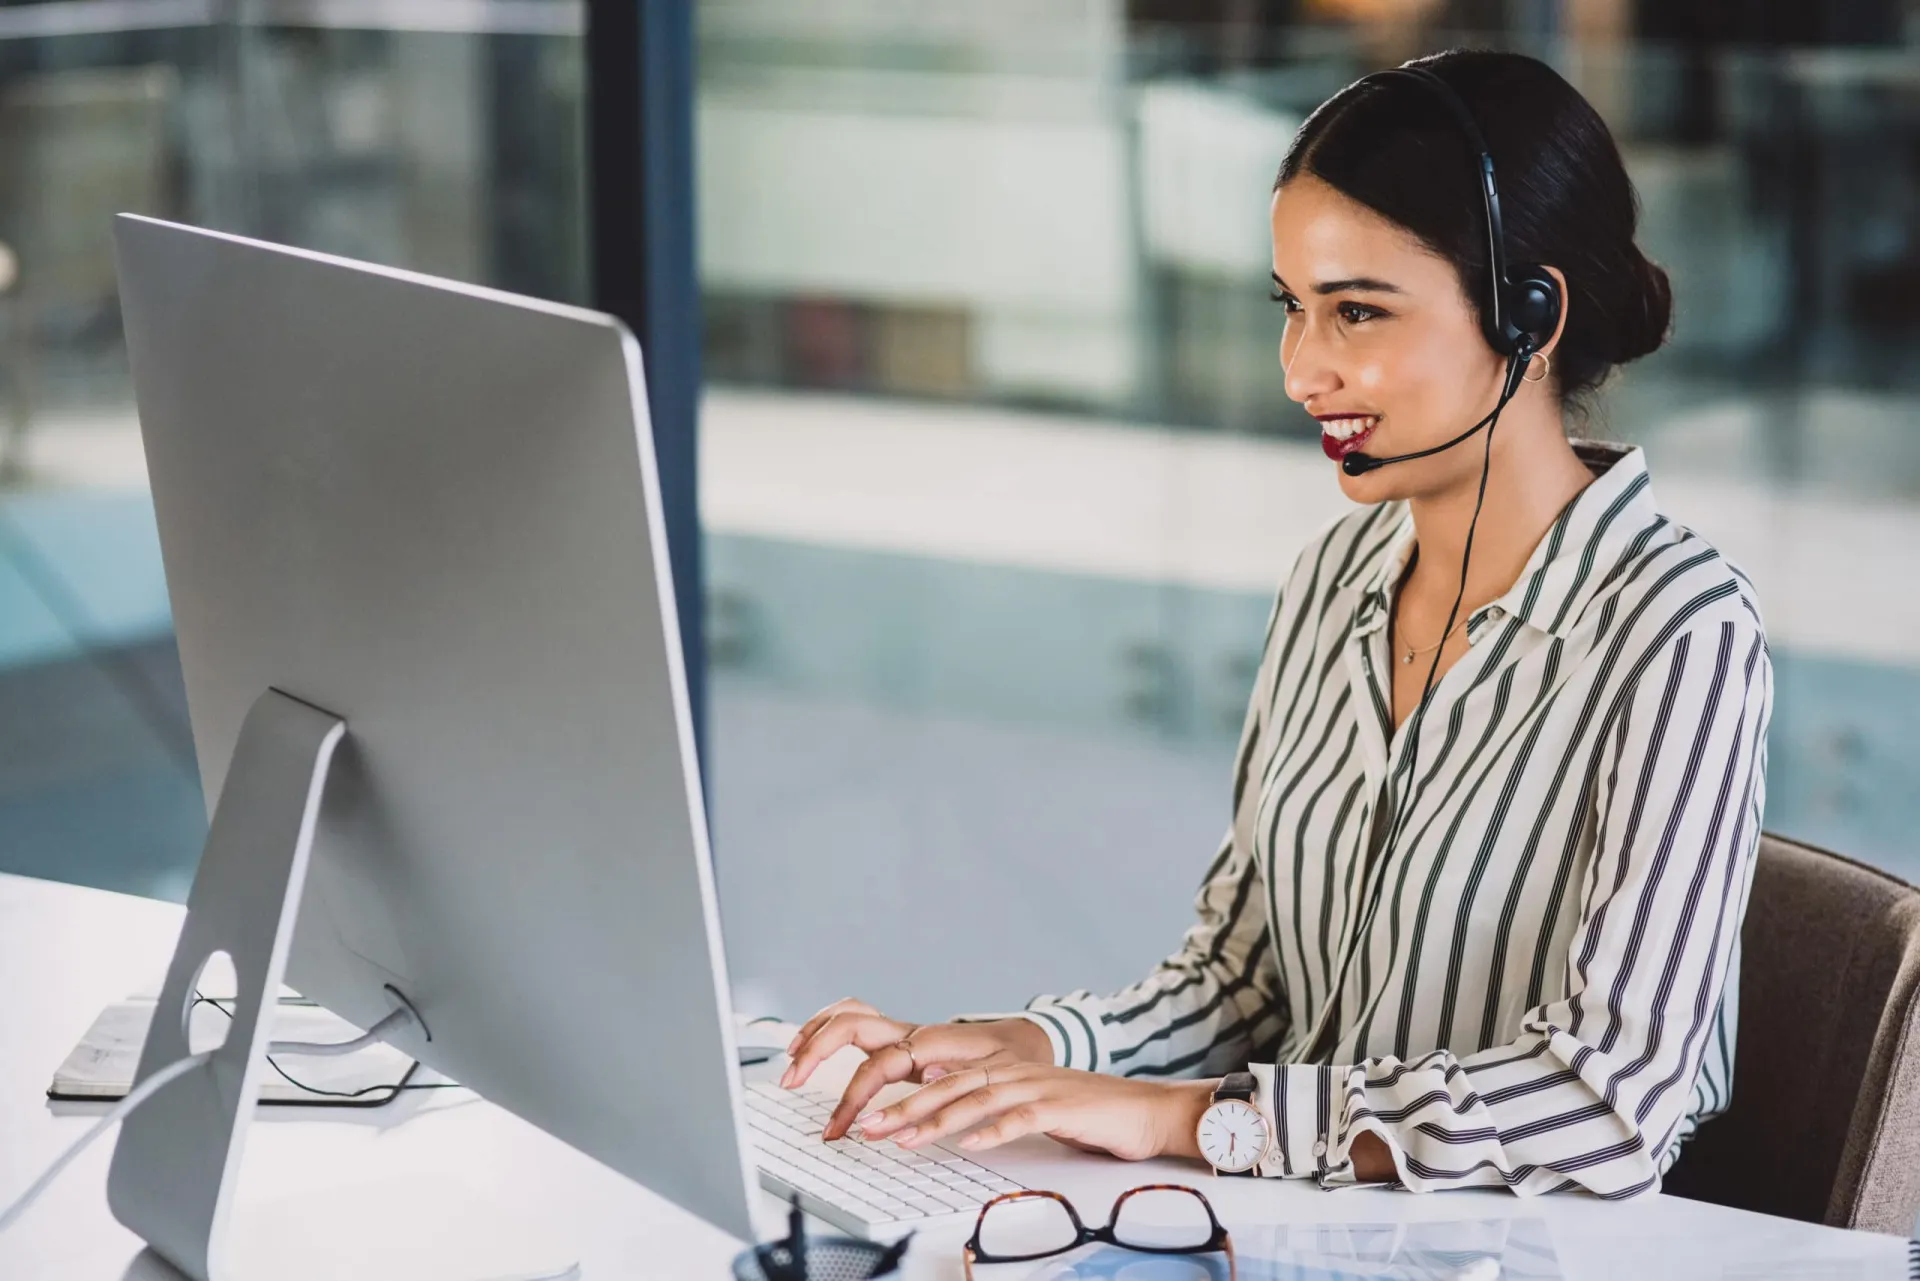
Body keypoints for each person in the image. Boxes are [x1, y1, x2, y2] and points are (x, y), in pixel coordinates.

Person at [780, 47, 1773, 1198]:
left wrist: (1195, 1123)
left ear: (1529, 315)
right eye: (1292, 310)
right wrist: (1029, 1050)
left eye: (1357, 313)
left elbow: (1608, 1103)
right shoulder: (1333, 578)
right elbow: (1242, 982)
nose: (1301, 371)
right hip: (1310, 1230)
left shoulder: (1678, 630)